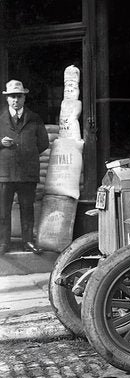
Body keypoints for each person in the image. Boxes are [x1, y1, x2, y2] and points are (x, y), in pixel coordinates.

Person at [0, 80, 49, 255]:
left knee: (27, 209)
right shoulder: (0, 118)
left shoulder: (34, 118)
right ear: (7, 99)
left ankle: (28, 241)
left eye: (19, 96)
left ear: (24, 98)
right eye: (12, 96)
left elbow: (43, 143)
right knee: (3, 210)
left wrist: (27, 151)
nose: (15, 100)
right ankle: (3, 243)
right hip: (5, 172)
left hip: (28, 172)